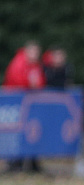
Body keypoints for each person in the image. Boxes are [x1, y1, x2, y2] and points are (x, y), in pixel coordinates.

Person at [2, 40, 46, 173]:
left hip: (31, 105)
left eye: (37, 52)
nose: (35, 54)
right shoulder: (19, 63)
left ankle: (32, 163)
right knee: (17, 133)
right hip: (18, 105)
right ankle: (14, 164)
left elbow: (41, 82)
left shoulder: (35, 65)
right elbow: (15, 81)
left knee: (32, 132)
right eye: (32, 51)